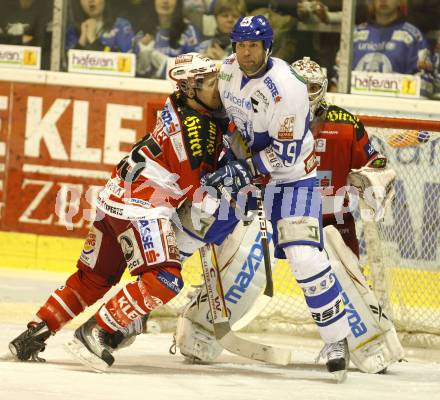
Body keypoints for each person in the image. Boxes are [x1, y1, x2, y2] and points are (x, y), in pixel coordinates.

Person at [8, 53, 228, 369]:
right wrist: (233, 177)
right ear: (189, 88)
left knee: (92, 278)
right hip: (141, 207)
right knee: (164, 279)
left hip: (112, 199)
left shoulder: (176, 104)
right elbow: (199, 193)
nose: (218, 89)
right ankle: (97, 330)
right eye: (210, 83)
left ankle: (34, 334)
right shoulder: (198, 129)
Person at [202, 15, 351, 381]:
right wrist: (224, 154)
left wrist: (240, 169)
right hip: (247, 170)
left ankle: (336, 340)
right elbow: (225, 117)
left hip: (292, 181)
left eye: (253, 45)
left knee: (304, 257)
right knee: (194, 228)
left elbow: (282, 157)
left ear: (268, 46)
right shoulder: (226, 71)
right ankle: (143, 317)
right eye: (239, 44)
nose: (246, 52)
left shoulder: (286, 88)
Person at [291, 56, 384, 258]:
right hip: (287, 217)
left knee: (351, 282)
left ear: (323, 88)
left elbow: (373, 164)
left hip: (334, 219)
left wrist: (374, 177)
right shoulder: (270, 121)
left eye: (312, 87)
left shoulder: (347, 125)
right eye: (299, 87)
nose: (306, 95)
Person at [331, 0, 434, 97]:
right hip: (353, 108)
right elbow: (337, 81)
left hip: (394, 110)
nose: (383, 0)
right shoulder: (355, 35)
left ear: (400, 1)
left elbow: (425, 87)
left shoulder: (413, 36)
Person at [135, 0, 202, 79]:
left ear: (178, 3)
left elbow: (195, 71)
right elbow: (133, 75)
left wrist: (165, 65)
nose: (165, 1)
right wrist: (143, 59)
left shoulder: (189, 31)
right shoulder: (143, 32)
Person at [66, 0, 135, 52]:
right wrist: (81, 41)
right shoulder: (72, 30)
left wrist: (93, 39)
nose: (91, 1)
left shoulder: (121, 26)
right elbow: (64, 66)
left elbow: (126, 63)